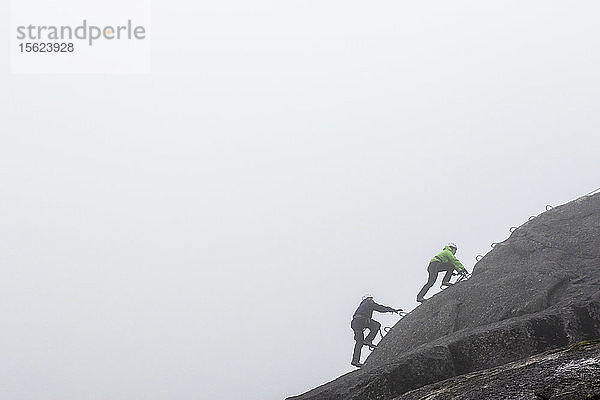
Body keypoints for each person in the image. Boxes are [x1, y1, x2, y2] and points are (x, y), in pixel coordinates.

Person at [350, 295, 400, 368]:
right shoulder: (368, 302)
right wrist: (392, 310)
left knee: (359, 342)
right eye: (371, 299)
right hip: (363, 320)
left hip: (355, 323)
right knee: (376, 325)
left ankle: (355, 361)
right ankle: (368, 340)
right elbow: (380, 308)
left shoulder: (361, 305)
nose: (373, 300)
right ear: (369, 299)